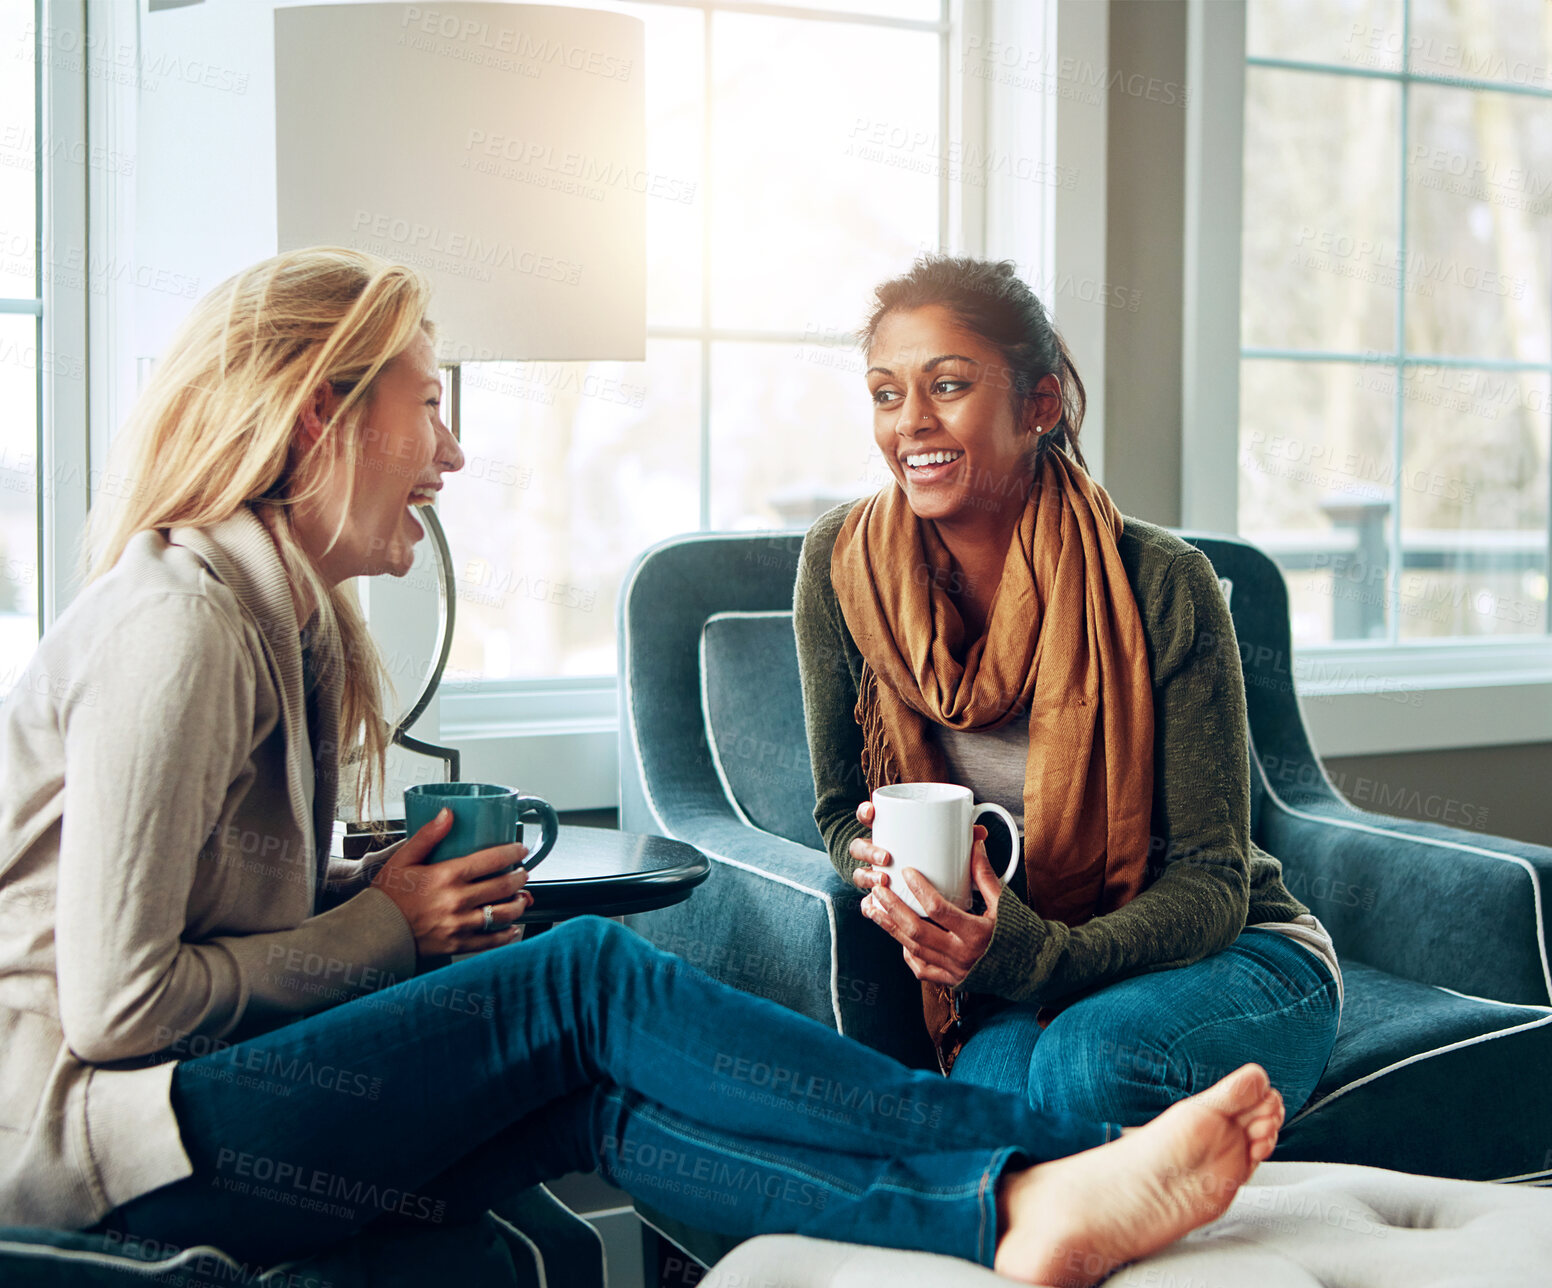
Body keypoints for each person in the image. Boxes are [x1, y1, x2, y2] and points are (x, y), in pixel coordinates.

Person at [0, 248, 1285, 1287]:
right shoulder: (179, 625)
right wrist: (386, 928)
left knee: (597, 1104)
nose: (449, 455)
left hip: (180, 1112)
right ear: (320, 413)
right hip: (99, 1148)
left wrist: (361, 883)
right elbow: (120, 1006)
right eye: (432, 403)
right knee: (585, 977)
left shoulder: (275, 621)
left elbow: (201, 896)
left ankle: (992, 1223)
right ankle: (1043, 1164)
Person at [795, 255, 1341, 1126]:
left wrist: (1033, 954)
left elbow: (1213, 881)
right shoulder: (842, 569)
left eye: (949, 385)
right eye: (886, 393)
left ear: (1039, 406)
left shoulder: (1160, 580)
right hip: (1005, 972)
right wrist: (884, 871)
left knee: (1089, 1065)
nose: (911, 423)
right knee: (993, 1110)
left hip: (1229, 957)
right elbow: (835, 809)